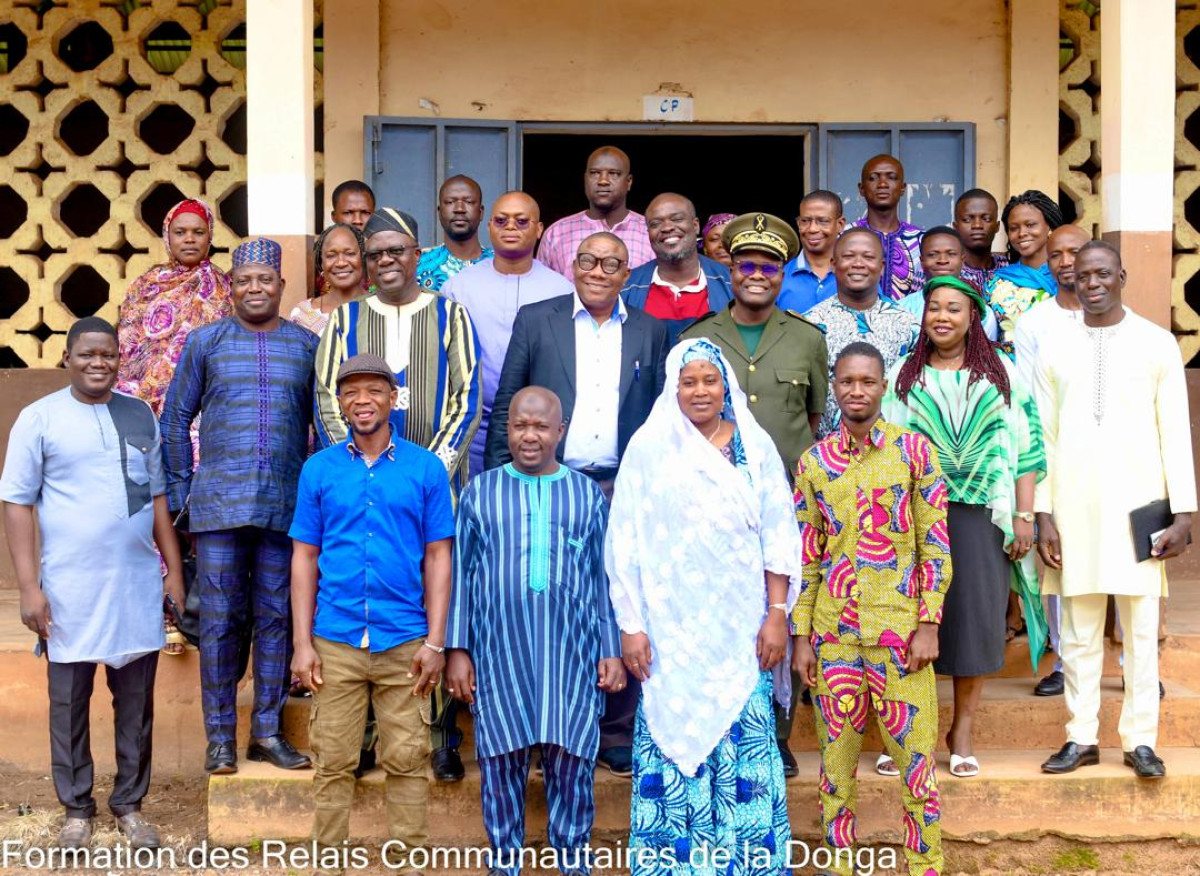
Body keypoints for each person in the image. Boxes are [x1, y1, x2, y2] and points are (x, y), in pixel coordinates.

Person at [606, 338, 801, 875]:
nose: (699, 390)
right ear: (673, 387)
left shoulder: (753, 449)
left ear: (726, 387)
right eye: (688, 381)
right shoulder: (648, 449)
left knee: (746, 741)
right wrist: (631, 627)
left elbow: (780, 535)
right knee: (674, 737)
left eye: (709, 380)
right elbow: (624, 543)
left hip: (742, 633)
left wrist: (777, 614)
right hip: (669, 639)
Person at [486, 231, 668, 778]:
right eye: (587, 260)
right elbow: (506, 404)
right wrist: (503, 480)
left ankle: (614, 731)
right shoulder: (538, 320)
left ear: (626, 271)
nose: (597, 270)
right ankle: (542, 730)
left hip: (621, 487)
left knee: (620, 601)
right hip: (547, 482)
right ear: (571, 264)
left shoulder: (650, 330)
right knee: (547, 598)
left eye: (610, 263)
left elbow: (662, 418)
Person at [1, 317, 185, 850]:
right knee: (69, 704)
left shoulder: (138, 413)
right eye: (87, 355)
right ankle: (76, 809)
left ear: (119, 358)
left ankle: (129, 803)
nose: (97, 363)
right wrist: (29, 587)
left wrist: (172, 570)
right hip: (68, 590)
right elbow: (16, 502)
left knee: (135, 705)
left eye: (107, 354)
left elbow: (155, 499)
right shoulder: (39, 418)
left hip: (134, 585)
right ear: (67, 357)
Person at [447, 387, 622, 876]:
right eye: (521, 426)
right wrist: (458, 650)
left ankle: (573, 858)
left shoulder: (586, 494)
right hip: (499, 654)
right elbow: (462, 573)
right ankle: (504, 860)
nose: (530, 436)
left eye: (541, 427)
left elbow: (602, 577)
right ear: (507, 430)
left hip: (572, 655)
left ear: (560, 432)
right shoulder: (481, 491)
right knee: (500, 760)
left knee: (572, 760)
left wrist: (610, 648)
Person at [1036, 243, 1196, 780]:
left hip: (1141, 507)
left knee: (1140, 627)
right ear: (1072, 281)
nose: (1092, 283)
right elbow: (1044, 437)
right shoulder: (1054, 345)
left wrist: (1184, 514)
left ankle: (1140, 740)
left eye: (1103, 273)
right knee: (1079, 630)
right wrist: (1042, 513)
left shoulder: (1156, 343)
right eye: (1083, 275)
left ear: (1121, 276)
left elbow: (1175, 431)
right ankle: (1080, 736)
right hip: (1073, 505)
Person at [161, 238, 319, 775]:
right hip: (218, 509)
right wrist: (184, 493)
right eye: (244, 280)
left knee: (277, 617)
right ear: (232, 287)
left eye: (265, 280)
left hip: (285, 504)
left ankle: (268, 734)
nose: (255, 288)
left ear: (280, 287)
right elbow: (174, 419)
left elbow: (321, 427)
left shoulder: (305, 345)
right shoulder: (205, 342)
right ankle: (221, 740)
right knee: (221, 621)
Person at [290, 354, 452, 873]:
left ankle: (409, 864)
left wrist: (436, 642)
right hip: (335, 639)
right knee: (332, 763)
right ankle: (327, 863)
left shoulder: (424, 469)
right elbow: (304, 557)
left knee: (407, 763)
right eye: (352, 392)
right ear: (339, 403)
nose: (363, 401)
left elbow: (438, 557)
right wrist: (301, 643)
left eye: (374, 391)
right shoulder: (319, 470)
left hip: (404, 640)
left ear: (392, 399)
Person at [793, 341, 951, 876]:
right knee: (835, 770)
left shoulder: (914, 453)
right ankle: (840, 864)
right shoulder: (814, 462)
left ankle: (925, 864)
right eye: (845, 382)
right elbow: (808, 554)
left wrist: (929, 622)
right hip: (834, 637)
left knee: (916, 766)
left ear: (883, 386)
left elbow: (935, 543)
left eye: (866, 381)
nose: (855, 391)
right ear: (833, 387)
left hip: (901, 636)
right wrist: (801, 638)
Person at [882, 275, 1044, 778]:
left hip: (981, 514)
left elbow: (1028, 448)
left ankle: (963, 731)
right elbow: (884, 447)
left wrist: (1023, 515)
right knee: (910, 622)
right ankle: (911, 731)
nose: (943, 317)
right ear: (923, 316)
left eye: (954, 308)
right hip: (914, 515)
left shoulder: (1002, 374)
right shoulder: (903, 376)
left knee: (972, 622)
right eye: (934, 308)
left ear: (973, 317)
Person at [115, 197, 232, 655]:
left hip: (206, 421)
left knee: (198, 512)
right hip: (148, 418)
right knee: (151, 508)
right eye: (180, 232)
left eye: (198, 232)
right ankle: (162, 614)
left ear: (210, 237)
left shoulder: (223, 287)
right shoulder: (144, 287)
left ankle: (197, 615)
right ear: (167, 236)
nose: (189, 239)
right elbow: (129, 353)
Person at [314, 208, 482, 503]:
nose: (385, 260)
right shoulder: (345, 319)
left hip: (434, 487)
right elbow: (326, 398)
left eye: (396, 250)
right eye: (375, 254)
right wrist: (360, 469)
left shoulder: (451, 315)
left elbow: (467, 399)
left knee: (435, 550)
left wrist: (429, 472)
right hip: (361, 489)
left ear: (416, 255)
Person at [680, 212, 828, 478]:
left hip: (789, 486)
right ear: (731, 272)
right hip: (715, 483)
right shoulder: (697, 338)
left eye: (769, 268)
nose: (757, 276)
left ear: (782, 276)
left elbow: (812, 415)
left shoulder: (808, 338)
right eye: (747, 267)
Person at [443, 191, 573, 478]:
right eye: (501, 221)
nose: (510, 227)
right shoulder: (458, 288)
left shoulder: (562, 290)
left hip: (538, 430)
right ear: (489, 227)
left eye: (521, 221)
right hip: (473, 427)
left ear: (539, 229)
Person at [1012, 224, 1089, 698]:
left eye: (1074, 252)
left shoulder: (1120, 318)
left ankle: (1125, 660)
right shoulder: (1034, 321)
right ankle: (1063, 659)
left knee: (1117, 553)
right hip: (1053, 450)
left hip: (1108, 457)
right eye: (1056, 253)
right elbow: (1026, 394)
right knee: (1057, 556)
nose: (1064, 261)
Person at [805, 228, 920, 439]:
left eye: (868, 257)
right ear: (833, 264)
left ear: (882, 267)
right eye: (848, 256)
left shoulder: (908, 325)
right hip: (826, 456)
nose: (858, 263)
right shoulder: (809, 324)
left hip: (892, 455)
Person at [620, 192, 734, 343]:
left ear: (695, 225)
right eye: (655, 223)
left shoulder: (731, 282)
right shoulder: (627, 287)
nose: (667, 227)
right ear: (648, 233)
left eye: (677, 219)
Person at [537, 146, 653, 278]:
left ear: (629, 181)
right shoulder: (556, 233)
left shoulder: (650, 232)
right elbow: (545, 291)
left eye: (613, 173)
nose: (603, 181)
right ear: (585, 179)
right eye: (595, 173)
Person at [984, 189, 1064, 353]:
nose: (1022, 233)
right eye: (1014, 228)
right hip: (1009, 374)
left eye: (1030, 225)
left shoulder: (1068, 277)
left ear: (1049, 226)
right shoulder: (995, 283)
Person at [899, 226, 1000, 338]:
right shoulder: (902, 308)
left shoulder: (981, 312)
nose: (942, 260)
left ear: (962, 260)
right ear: (922, 262)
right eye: (933, 254)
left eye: (951, 254)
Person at [853, 155, 923, 302]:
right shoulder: (845, 237)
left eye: (891, 177)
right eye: (873, 178)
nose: (882, 184)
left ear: (903, 187)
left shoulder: (921, 240)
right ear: (861, 189)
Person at [416, 174, 494, 292]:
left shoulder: (500, 263)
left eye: (468, 202)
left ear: (481, 212)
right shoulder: (417, 264)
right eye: (450, 202)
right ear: (439, 212)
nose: (459, 209)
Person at [289, 222, 367, 335]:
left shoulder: (380, 309)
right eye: (331, 255)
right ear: (321, 264)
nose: (341, 263)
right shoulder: (302, 314)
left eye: (350, 253)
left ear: (363, 259)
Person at [777, 190, 846, 314]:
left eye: (823, 221)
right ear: (798, 224)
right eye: (805, 221)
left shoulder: (856, 274)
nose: (812, 229)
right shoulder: (779, 277)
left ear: (840, 224)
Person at [953, 189, 1009, 293]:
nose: (977, 225)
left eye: (986, 219)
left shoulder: (1010, 266)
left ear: (997, 226)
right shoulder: (946, 269)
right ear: (955, 227)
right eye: (967, 220)